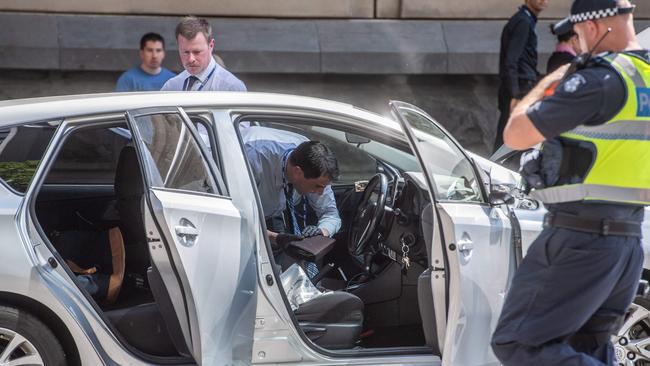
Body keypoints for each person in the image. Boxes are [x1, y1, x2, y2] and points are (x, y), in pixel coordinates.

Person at [491, 0, 646, 365]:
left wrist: (555, 77)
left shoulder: (598, 79)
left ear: (592, 28)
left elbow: (515, 134)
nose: (576, 44)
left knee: (518, 343)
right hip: (627, 242)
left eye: (575, 35)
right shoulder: (645, 77)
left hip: (580, 238)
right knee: (586, 347)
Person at [243, 126, 341, 272]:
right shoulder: (253, 158)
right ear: (297, 172)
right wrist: (274, 237)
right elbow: (238, 220)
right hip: (246, 214)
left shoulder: (316, 164)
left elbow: (331, 214)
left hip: (274, 213)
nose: (321, 193)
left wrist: (322, 231)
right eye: (317, 186)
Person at [495, 0, 548, 152]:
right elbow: (511, 60)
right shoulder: (523, 22)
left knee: (513, 138)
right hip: (520, 89)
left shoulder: (526, 20)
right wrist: (515, 95)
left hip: (521, 87)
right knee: (508, 139)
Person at [161, 16, 246, 92]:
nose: (191, 59)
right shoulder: (171, 87)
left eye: (197, 52)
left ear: (211, 45)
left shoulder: (231, 87)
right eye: (185, 52)